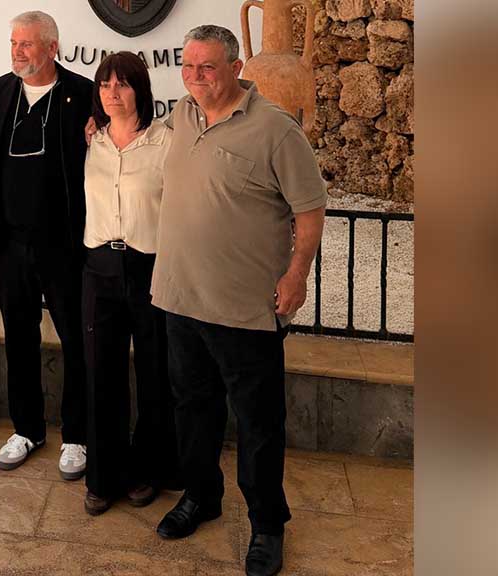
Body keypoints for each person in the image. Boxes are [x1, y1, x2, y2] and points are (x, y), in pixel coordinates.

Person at [151, 25, 326, 576]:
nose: (195, 76)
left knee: (258, 423)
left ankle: (268, 524)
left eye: (207, 66)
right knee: (193, 409)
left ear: (235, 68)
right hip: (181, 297)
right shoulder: (181, 115)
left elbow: (310, 209)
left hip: (246, 308)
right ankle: (201, 496)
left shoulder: (276, 129)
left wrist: (297, 273)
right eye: (188, 66)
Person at [0, 11, 92, 480]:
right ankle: (26, 428)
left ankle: (78, 435)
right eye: (14, 43)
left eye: (27, 44)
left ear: (52, 47)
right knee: (19, 338)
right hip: (11, 244)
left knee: (77, 341)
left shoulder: (84, 94)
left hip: (65, 246)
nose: (18, 52)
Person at [80, 51, 180, 515]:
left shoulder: (165, 142)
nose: (112, 93)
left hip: (149, 267)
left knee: (155, 371)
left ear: (140, 88)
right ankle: (103, 476)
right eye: (105, 85)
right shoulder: (90, 141)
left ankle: (147, 470)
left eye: (122, 84)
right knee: (101, 372)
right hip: (99, 267)